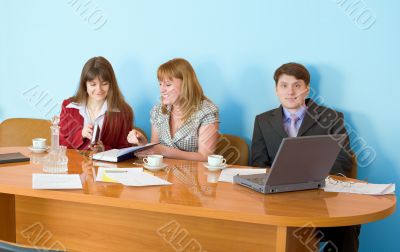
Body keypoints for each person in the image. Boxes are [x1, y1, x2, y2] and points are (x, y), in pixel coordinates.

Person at [251, 62, 360, 252]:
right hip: (277, 200)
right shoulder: (262, 120)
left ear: (307, 90)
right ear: (276, 90)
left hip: (319, 200)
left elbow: (343, 160)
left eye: (297, 85)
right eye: (284, 85)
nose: (290, 92)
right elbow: (258, 164)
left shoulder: (332, 117)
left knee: (348, 225)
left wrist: (313, 182)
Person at [127, 58, 219, 161]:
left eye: (168, 84)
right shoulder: (158, 111)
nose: (162, 90)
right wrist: (144, 144)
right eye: (160, 84)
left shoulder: (206, 112)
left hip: (194, 175)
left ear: (186, 84)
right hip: (161, 174)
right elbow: (155, 153)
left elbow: (205, 157)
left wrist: (163, 151)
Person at [59, 56, 133, 151]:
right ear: (84, 85)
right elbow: (59, 144)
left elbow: (125, 151)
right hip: (74, 165)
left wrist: (104, 149)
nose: (99, 90)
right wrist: (80, 134)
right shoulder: (69, 107)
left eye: (104, 84)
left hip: (105, 165)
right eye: (93, 84)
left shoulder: (124, 112)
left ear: (111, 84)